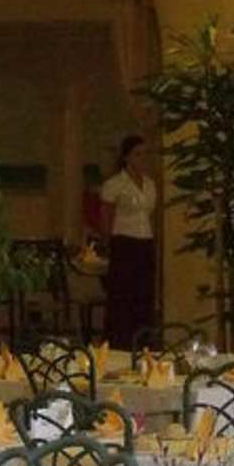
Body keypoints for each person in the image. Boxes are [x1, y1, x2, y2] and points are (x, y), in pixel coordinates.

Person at [100, 134, 157, 348]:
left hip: (145, 241)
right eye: (137, 154)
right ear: (126, 157)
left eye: (145, 154)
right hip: (124, 242)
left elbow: (149, 214)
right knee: (123, 296)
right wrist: (107, 242)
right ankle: (119, 341)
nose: (142, 159)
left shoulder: (150, 184)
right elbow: (106, 216)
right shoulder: (115, 184)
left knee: (144, 294)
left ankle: (143, 342)